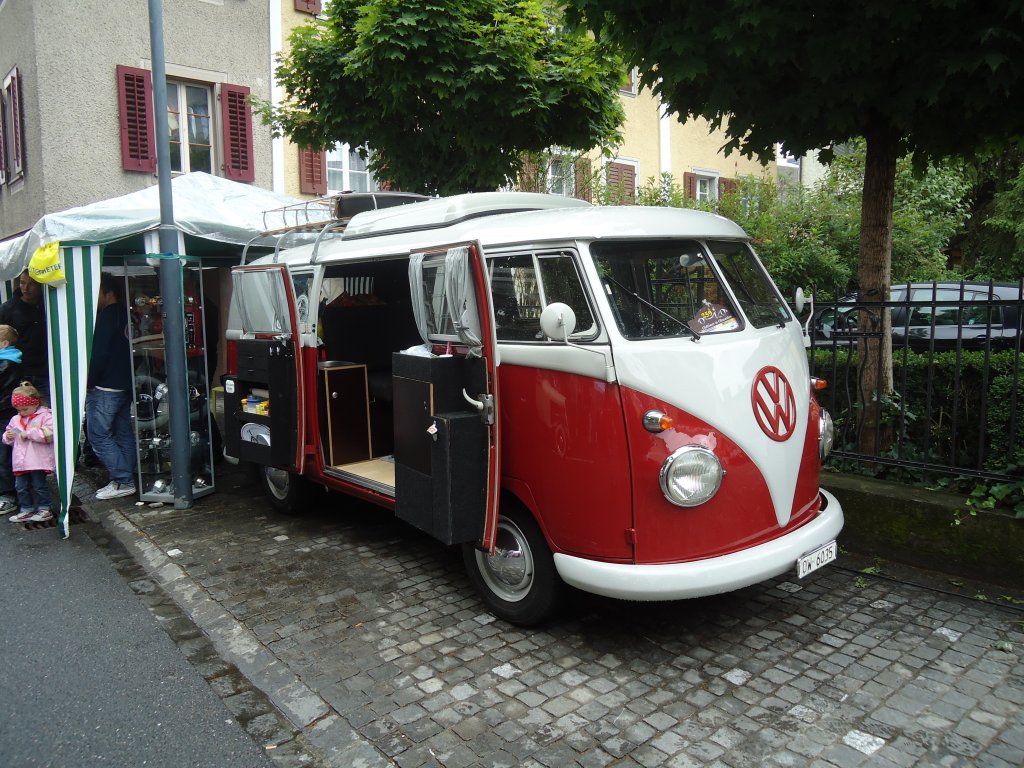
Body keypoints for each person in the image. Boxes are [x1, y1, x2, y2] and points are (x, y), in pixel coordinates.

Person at [86, 273, 136, 500]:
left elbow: (99, 354)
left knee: (98, 434)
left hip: (106, 385)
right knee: (123, 432)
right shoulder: (127, 315)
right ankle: (126, 478)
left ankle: (123, 479)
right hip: (126, 382)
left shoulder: (106, 317)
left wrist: (89, 381)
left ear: (107, 293)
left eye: (96, 293)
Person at [3, 381, 54, 522]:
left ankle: (45, 508)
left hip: (37, 460)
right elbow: (10, 433)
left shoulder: (45, 416)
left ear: (35, 403)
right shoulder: (16, 419)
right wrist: (7, 437)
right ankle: (26, 509)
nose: (21, 413)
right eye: (18, 410)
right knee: (20, 487)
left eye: (24, 409)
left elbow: (49, 434)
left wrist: (29, 433)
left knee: (39, 485)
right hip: (20, 461)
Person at [0, 270, 49, 399]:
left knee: (46, 415)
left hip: (45, 371)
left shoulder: (49, 306)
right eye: (22, 283)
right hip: (18, 371)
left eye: (31, 284)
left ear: (40, 285)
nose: (26, 288)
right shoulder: (7, 309)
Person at [0, 325, 23, 514]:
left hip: (5, 415)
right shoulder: (10, 362)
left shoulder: (6, 364)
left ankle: (8, 495)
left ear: (4, 343)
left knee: (4, 455)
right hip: (7, 414)